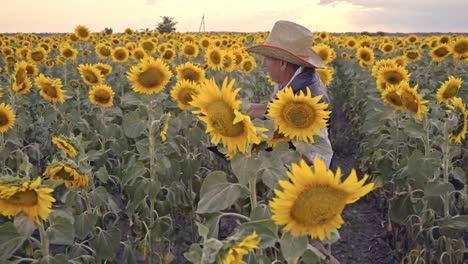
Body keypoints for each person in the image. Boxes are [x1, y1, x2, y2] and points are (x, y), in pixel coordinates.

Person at [246, 20, 333, 168]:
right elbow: (273, 109)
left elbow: (307, 156)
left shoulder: (305, 100)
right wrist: (242, 109)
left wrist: (264, 159)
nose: (264, 64)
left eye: (267, 58)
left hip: (309, 171)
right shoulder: (289, 80)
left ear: (282, 63)